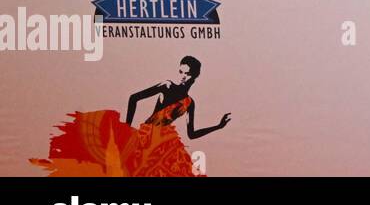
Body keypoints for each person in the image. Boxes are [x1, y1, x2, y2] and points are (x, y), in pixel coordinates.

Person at [30, 56, 229, 177]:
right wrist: (126, 127)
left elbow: (192, 134)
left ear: (195, 76)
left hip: (166, 143)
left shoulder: (189, 103)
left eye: (186, 73)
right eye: (180, 71)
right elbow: (134, 98)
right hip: (146, 136)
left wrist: (218, 127)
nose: (182, 76)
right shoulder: (167, 86)